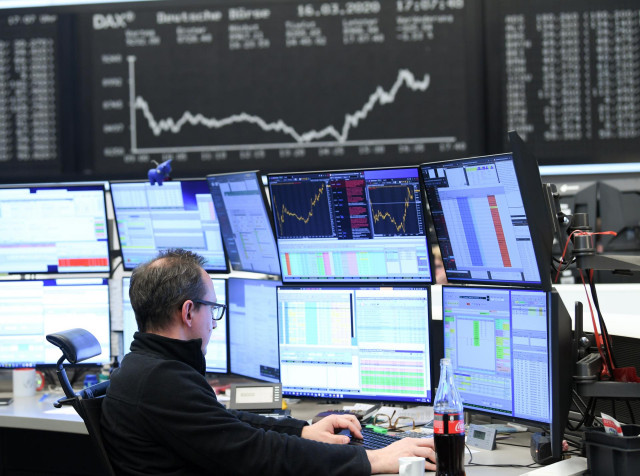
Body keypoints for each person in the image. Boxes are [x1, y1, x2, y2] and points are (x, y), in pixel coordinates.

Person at [102, 248, 436, 475]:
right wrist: (374, 459)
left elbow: (224, 423)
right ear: (188, 312)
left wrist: (303, 431)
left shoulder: (143, 368)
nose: (214, 324)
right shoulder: (162, 381)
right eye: (212, 310)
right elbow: (257, 453)